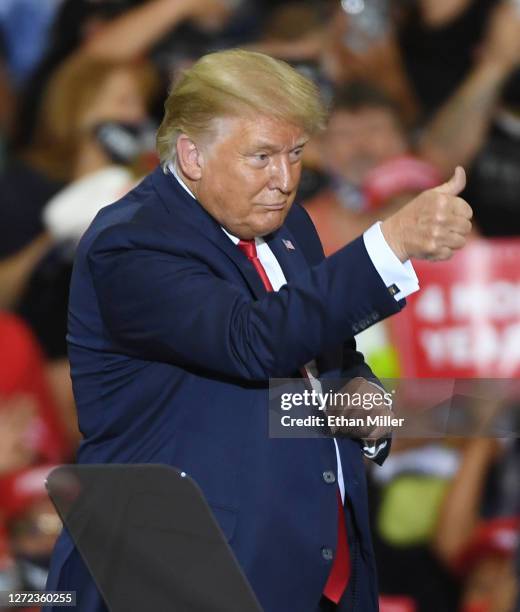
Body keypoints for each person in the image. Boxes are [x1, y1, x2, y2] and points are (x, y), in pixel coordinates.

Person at [44, 50, 473, 612]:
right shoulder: (133, 242)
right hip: (177, 576)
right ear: (191, 155)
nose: (285, 180)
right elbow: (253, 340)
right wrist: (388, 244)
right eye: (262, 157)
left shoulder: (286, 224)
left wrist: (355, 392)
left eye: (295, 154)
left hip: (314, 569)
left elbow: (313, 349)